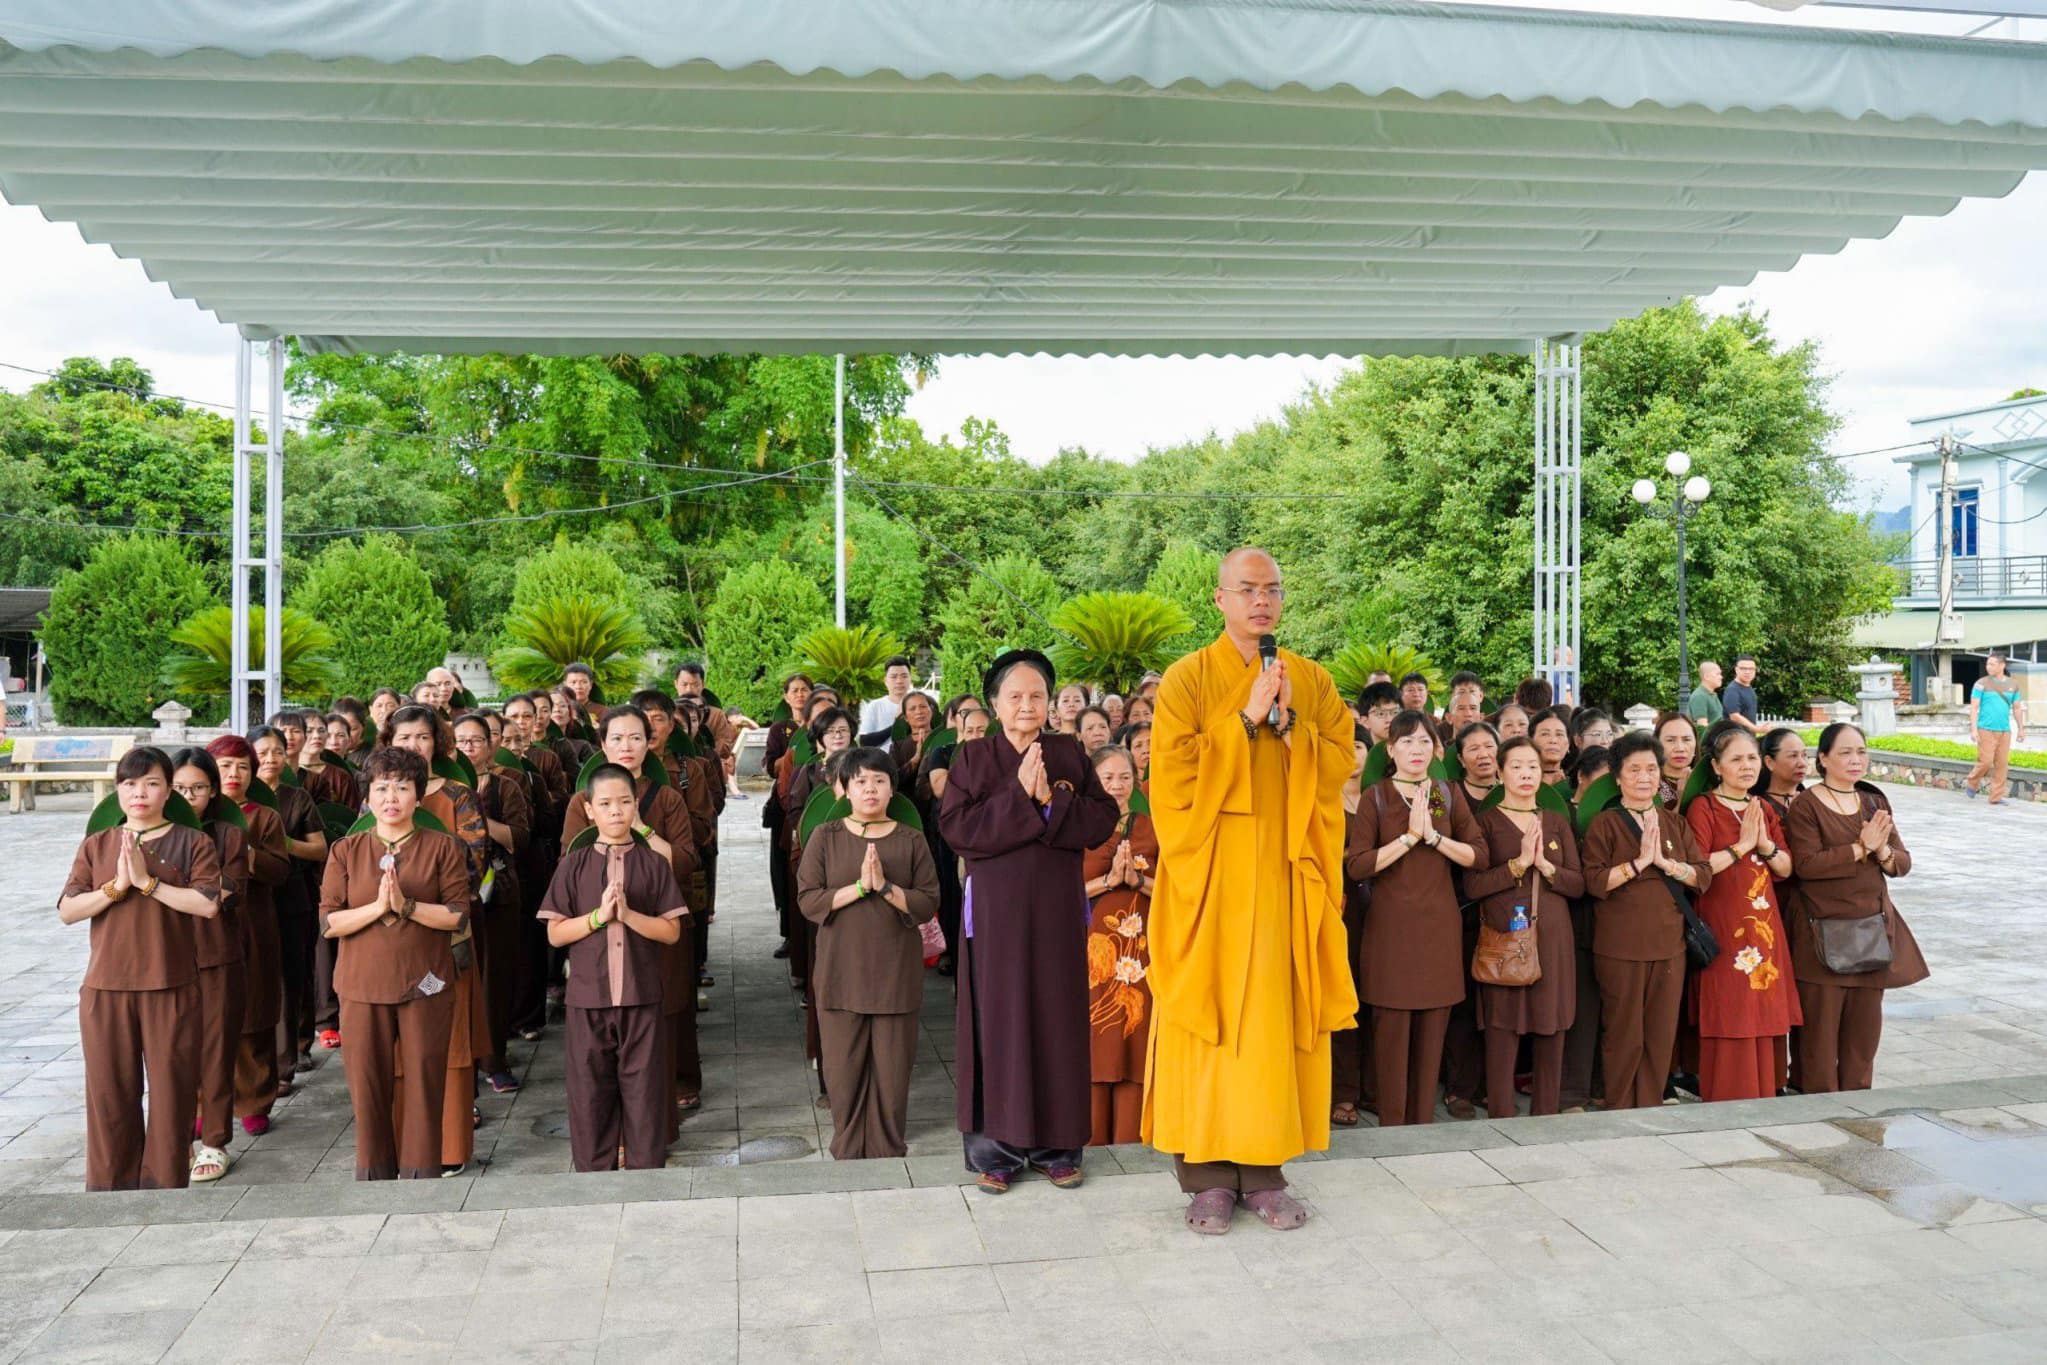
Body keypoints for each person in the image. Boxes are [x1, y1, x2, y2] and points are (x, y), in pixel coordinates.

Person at [1144, 547, 1357, 1234]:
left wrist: (1290, 724)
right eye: (1247, 589)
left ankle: (1264, 1171)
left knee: (1268, 1019)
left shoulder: (1312, 679)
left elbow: (1341, 761)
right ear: (1220, 599)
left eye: (1272, 589)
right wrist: (1242, 719)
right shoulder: (1187, 679)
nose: (1261, 600)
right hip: (1209, 880)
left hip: (1280, 878)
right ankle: (1206, 1176)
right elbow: (1171, 779)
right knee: (1209, 1017)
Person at [939, 649, 1118, 1194]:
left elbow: (1102, 819)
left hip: (1057, 912)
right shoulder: (972, 758)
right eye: (1014, 696)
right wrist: (1021, 797)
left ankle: (1056, 1148)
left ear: (1051, 704)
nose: (1026, 705)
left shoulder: (1069, 753)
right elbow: (957, 829)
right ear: (994, 705)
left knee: (1057, 1021)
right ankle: (996, 1152)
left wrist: (1049, 803)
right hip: (996, 916)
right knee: (997, 1022)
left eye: (1036, 695)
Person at [60, 747, 221, 1190]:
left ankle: (164, 1190)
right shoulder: (97, 845)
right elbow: (68, 909)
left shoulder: (193, 843)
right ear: (118, 790)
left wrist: (148, 884)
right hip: (105, 988)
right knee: (109, 1097)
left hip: (170, 985)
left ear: (169, 791)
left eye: (151, 783)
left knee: (172, 1095)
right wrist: (116, 887)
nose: (140, 793)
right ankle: (110, 1192)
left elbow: (206, 904)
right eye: (130, 784)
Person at [319, 746, 471, 1180]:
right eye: (381, 788)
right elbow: (329, 922)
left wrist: (406, 907)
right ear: (367, 797)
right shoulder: (346, 850)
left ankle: (422, 1174)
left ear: (418, 796)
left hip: (425, 982)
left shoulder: (443, 847)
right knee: (368, 1089)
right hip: (361, 985)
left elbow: (457, 915)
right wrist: (377, 908)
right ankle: (374, 1176)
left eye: (402, 788)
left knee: (425, 1083)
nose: (391, 797)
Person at [541, 763, 687, 1171]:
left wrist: (628, 915)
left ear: (636, 805)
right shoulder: (573, 865)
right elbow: (555, 934)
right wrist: (598, 918)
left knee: (646, 1096)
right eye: (605, 804)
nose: (616, 811)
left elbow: (671, 931)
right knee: (589, 1097)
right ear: (589, 810)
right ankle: (594, 1180)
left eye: (624, 802)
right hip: (588, 999)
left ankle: (646, 1178)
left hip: (642, 997)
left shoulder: (654, 864)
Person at [797, 747, 940, 1159]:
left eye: (879, 780)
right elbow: (808, 899)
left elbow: (928, 901)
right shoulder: (826, 837)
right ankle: (847, 1144)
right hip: (841, 970)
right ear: (845, 789)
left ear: (893, 789)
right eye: (860, 781)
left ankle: (887, 1145)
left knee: (892, 1069)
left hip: (895, 971)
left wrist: (887, 889)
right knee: (842, 1067)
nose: (870, 789)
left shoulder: (911, 839)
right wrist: (860, 888)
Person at [563, 705, 703, 1119]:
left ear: (649, 743)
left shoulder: (668, 797)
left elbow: (684, 861)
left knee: (667, 1010)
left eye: (636, 737)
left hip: (659, 920)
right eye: (617, 738)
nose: (627, 746)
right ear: (602, 744)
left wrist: (638, 824)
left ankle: (661, 1115)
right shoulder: (582, 802)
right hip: (601, 925)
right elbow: (570, 865)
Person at [1349, 710, 1486, 1127]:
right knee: (1391, 1033)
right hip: (1390, 931)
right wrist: (1409, 838)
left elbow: (1479, 855)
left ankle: (1422, 1126)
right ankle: (1392, 1127)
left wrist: (1434, 837)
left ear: (1436, 750)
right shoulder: (1376, 796)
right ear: (1390, 750)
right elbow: (1358, 865)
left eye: (1425, 741)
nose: (1417, 749)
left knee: (1432, 1033)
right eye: (1407, 741)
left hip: (1438, 929)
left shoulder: (1446, 794)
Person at [1783, 723, 1928, 1091]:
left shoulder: (1873, 802)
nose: (1855, 760)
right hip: (1821, 933)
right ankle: (1816, 1108)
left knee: (1862, 1038)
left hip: (1871, 932)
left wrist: (1882, 850)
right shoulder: (1806, 805)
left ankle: (1858, 1107)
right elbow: (1807, 866)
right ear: (1823, 758)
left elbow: (1902, 863)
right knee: (1818, 1038)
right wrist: (1860, 848)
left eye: (1861, 752)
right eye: (1845, 752)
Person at [1582, 731, 1711, 1109]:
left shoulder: (1674, 823)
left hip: (1669, 945)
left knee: (1660, 1032)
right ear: (1618, 777)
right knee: (1623, 1032)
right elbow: (1594, 882)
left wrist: (1667, 865)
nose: (1644, 777)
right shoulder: (1605, 824)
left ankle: (1651, 1101)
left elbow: (1702, 875)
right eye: (1634, 769)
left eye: (1651, 769)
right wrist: (1639, 863)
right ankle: (1619, 1104)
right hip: (1619, 947)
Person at [1465, 736, 1583, 1117]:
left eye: (1532, 766)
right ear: (1500, 773)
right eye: (1516, 767)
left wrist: (1545, 866)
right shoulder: (1485, 822)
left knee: (1552, 1024)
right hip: (1505, 938)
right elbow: (1472, 886)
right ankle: (1501, 1113)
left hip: (1552, 939)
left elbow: (1578, 884)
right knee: (1502, 1027)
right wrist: (1516, 865)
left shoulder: (1556, 821)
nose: (1526, 774)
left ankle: (1546, 1114)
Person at [1683, 722, 1800, 1102]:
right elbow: (1699, 867)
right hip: (1723, 922)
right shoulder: (1704, 807)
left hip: (1764, 925)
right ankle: (1727, 1090)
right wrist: (1741, 846)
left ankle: (1766, 1087)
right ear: (1717, 767)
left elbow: (1786, 867)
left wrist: (1764, 845)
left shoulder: (1761, 806)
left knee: (1763, 1002)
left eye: (1752, 758)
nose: (1747, 766)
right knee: (1729, 1004)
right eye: (1736, 759)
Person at [208, 734, 290, 1137]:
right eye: (225, 766)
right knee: (205, 1017)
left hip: (253, 922)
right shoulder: (196, 816)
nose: (234, 774)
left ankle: (255, 1099)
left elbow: (280, 870)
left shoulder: (264, 817)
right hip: (204, 925)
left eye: (243, 766)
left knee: (254, 1011)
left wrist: (249, 853)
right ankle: (205, 1102)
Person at [170, 748, 245, 1183]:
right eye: (179, 788)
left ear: (213, 791)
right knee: (170, 1053)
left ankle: (214, 1141)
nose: (188, 797)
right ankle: (175, 1139)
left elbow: (222, 893)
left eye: (197, 788)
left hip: (216, 955)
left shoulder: (229, 835)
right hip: (163, 958)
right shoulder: (146, 835)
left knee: (215, 1051)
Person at [1081, 745, 1156, 1146]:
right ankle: (1091, 1136)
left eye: (1125, 777)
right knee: (1096, 1039)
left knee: (1135, 1036)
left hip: (1140, 953)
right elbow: (1060, 891)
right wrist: (1108, 882)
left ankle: (1132, 1136)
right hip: (1092, 953)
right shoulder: (1078, 829)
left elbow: (1177, 889)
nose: (1117, 785)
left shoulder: (1153, 828)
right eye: (1107, 778)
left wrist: (1138, 881)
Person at [453, 713, 531, 1095]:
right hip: (455, 895)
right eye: (461, 741)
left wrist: (475, 814)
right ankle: (461, 1065)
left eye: (477, 741)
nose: (469, 748)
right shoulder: (443, 789)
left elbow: (518, 838)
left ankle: (495, 1059)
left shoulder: (506, 787)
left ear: (491, 745)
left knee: (495, 979)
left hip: (497, 891)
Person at [253, 725, 326, 1104]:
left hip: (291, 894)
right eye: (262, 752)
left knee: (291, 976)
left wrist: (283, 844)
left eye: (277, 752)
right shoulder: (235, 798)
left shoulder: (297, 798)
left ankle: (286, 1061)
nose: (270, 759)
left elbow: (319, 849)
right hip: (249, 898)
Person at [1329, 723, 1373, 1128]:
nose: (1352, 753)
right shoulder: (1323, 796)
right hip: (1340, 907)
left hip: (1388, 907)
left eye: (1358, 744)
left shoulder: (1385, 793)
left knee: (1381, 997)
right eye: (1343, 745)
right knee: (1345, 996)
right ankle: (1343, 1092)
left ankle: (1375, 1088)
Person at [1966, 651, 2027, 805]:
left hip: (2005, 731)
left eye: (1992, 664)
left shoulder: (2013, 684)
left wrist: (2021, 728)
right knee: (1985, 762)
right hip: (1985, 729)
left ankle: (1996, 797)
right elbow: (1974, 708)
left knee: (2002, 765)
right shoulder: (1981, 684)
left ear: (2002, 665)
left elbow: (2017, 708)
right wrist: (1974, 729)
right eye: (1987, 664)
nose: (1988, 667)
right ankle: (1972, 781)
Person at [858, 655, 918, 737]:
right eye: (894, 677)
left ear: (910, 679)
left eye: (904, 676)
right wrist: (897, 725)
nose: (899, 681)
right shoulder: (875, 706)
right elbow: (864, 740)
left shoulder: (921, 705)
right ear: (885, 680)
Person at [1655, 711, 1697, 807]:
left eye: (1687, 739)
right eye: (1670, 740)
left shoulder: (1707, 780)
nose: (1680, 748)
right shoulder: (1650, 784)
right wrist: (1681, 796)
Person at [1531, 707, 1574, 791]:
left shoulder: (1576, 785)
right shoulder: (1518, 780)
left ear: (1568, 744)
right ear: (1531, 740)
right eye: (1545, 734)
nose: (1553, 740)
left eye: (1559, 734)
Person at [1723, 656, 1762, 734]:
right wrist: (1756, 729)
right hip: (1736, 736)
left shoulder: (1749, 688)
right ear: (1736, 670)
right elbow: (1734, 716)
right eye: (1743, 668)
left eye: (1751, 669)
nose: (1747, 672)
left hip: (1747, 736)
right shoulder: (1732, 690)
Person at [1684, 661, 1726, 727]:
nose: (1721, 677)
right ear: (1706, 677)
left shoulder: (1711, 694)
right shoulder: (1700, 696)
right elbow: (1702, 727)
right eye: (1717, 674)